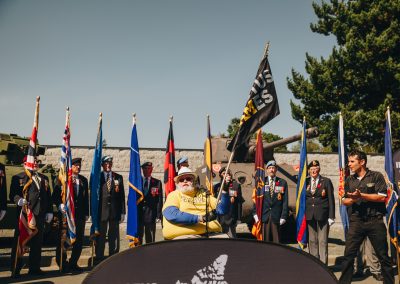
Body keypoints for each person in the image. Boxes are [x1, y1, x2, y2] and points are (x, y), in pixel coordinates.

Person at [339, 150, 393, 284]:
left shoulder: (376, 176)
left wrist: (361, 195)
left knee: (383, 256)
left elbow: (382, 197)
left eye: (352, 161)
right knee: (348, 256)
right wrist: (353, 199)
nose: (349, 164)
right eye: (348, 161)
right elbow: (344, 200)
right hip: (356, 221)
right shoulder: (349, 180)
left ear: (362, 162)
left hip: (375, 221)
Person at [9, 159, 53, 277]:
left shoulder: (44, 178)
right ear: (25, 163)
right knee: (20, 242)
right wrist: (18, 200)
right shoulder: (18, 177)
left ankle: (34, 268)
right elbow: (12, 194)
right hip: (24, 215)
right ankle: (16, 268)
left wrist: (49, 211)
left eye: (37, 162)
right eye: (33, 161)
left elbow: (47, 197)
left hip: (39, 214)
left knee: (37, 243)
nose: (36, 164)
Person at [162, 167, 229, 239]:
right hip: (184, 235)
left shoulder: (204, 194)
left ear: (194, 181)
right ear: (177, 183)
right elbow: (171, 214)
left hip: (211, 232)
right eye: (181, 180)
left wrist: (224, 191)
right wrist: (200, 218)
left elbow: (222, 210)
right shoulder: (174, 195)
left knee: (227, 244)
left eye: (188, 179)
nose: (185, 181)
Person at [53, 157, 89, 272]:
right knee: (65, 240)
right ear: (71, 167)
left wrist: (86, 213)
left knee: (78, 241)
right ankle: (62, 263)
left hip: (79, 215)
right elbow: (55, 195)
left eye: (79, 165)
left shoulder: (83, 180)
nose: (78, 167)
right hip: (67, 215)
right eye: (76, 165)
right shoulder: (63, 179)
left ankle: (73, 263)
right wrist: (60, 205)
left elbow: (85, 199)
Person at [95, 156, 125, 259]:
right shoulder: (97, 177)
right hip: (101, 211)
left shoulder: (118, 177)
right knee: (101, 236)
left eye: (110, 163)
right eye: (106, 163)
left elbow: (121, 196)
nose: (108, 165)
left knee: (114, 236)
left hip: (114, 211)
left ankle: (114, 257)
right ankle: (99, 257)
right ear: (102, 164)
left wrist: (122, 212)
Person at [305, 160, 335, 264]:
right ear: (309, 170)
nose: (314, 171)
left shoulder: (326, 181)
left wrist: (331, 216)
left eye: (316, 168)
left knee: (323, 241)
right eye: (312, 169)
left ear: (319, 169)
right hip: (309, 215)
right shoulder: (305, 182)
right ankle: (314, 263)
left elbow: (331, 199)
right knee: (312, 241)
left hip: (323, 215)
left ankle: (323, 265)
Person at [253, 160, 288, 243]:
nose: (272, 170)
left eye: (273, 168)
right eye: (270, 168)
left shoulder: (282, 182)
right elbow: (256, 199)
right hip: (264, 216)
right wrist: (255, 214)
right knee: (265, 242)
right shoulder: (261, 182)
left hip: (277, 216)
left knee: (277, 241)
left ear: (276, 169)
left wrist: (283, 216)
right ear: (267, 170)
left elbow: (285, 201)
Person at [213, 167, 244, 238]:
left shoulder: (235, 185)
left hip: (230, 217)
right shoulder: (217, 187)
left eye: (228, 173)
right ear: (220, 175)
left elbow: (239, 202)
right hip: (219, 218)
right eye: (224, 173)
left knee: (231, 238)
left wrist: (239, 218)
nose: (226, 175)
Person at [138, 161, 163, 244]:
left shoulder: (157, 182)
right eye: (145, 168)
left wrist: (159, 214)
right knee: (138, 237)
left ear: (152, 169)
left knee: (150, 238)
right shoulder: (137, 182)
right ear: (142, 170)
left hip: (151, 214)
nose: (147, 170)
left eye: (149, 168)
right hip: (139, 213)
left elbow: (159, 200)